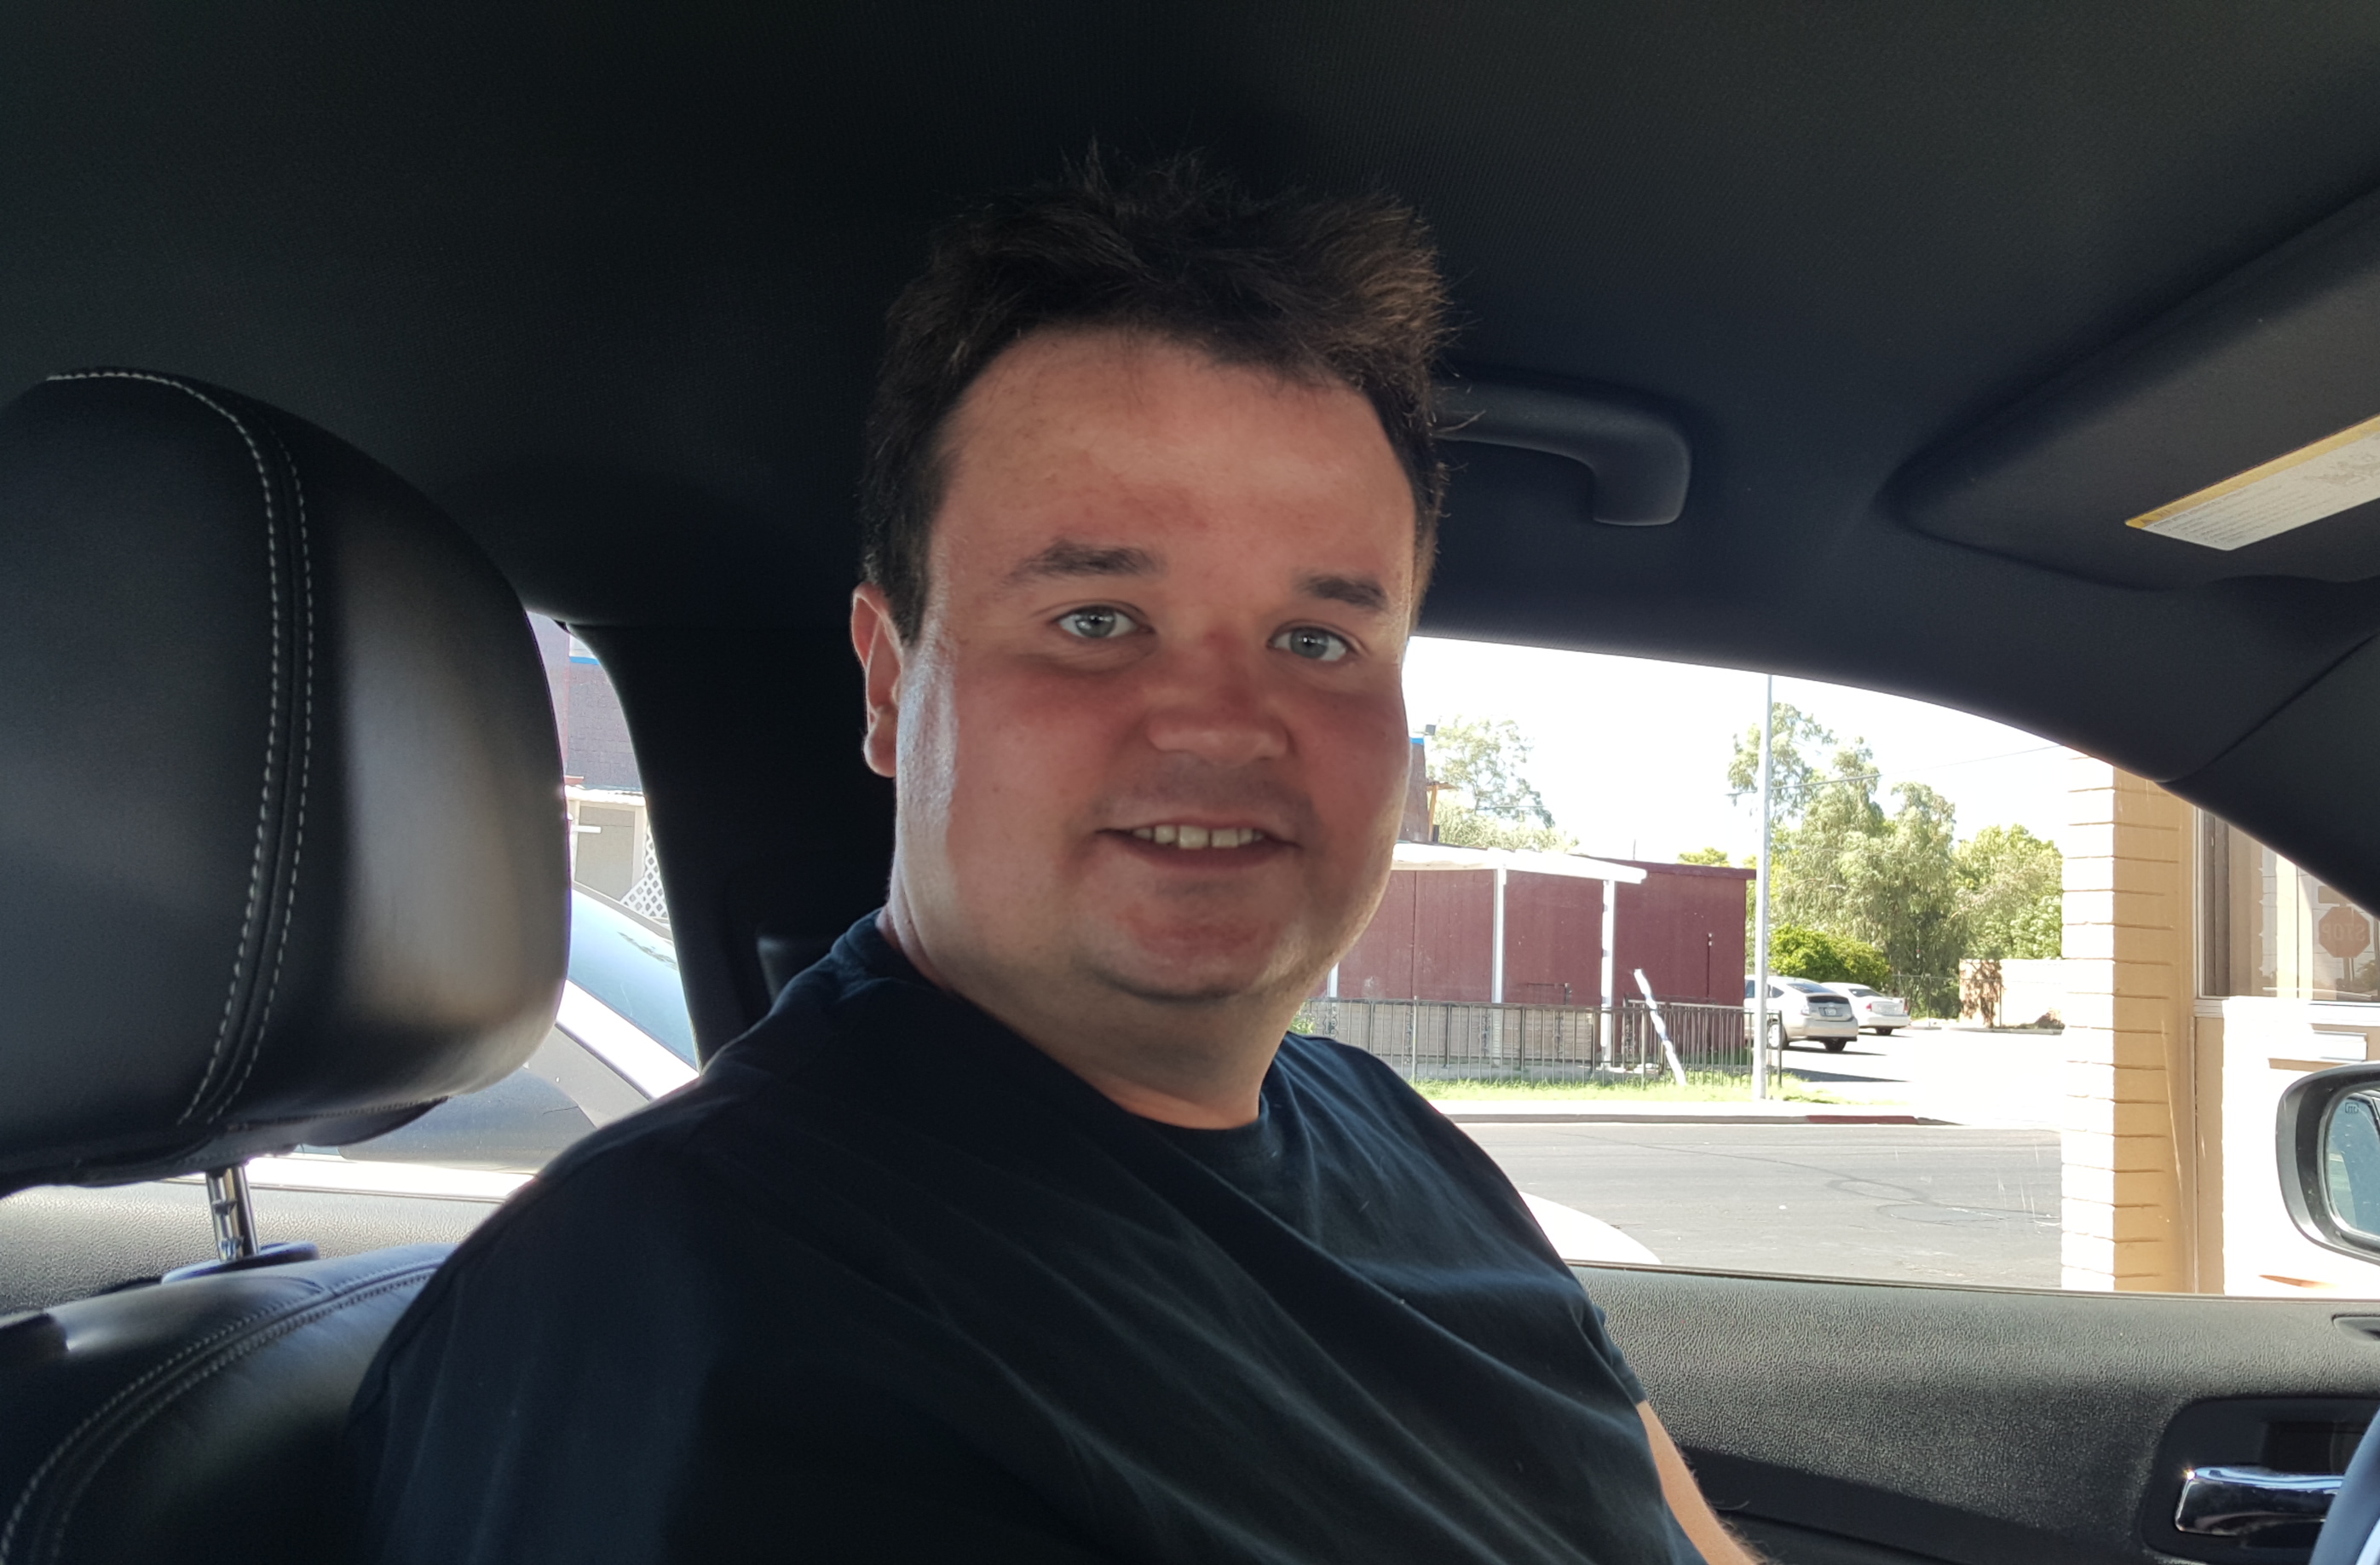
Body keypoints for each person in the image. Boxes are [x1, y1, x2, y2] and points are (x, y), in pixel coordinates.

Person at [349, 153, 1757, 1565]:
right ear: (890, 683)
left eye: (1318, 638)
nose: (1224, 722)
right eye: (1096, 619)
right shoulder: (680, 1311)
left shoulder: (1390, 1129)